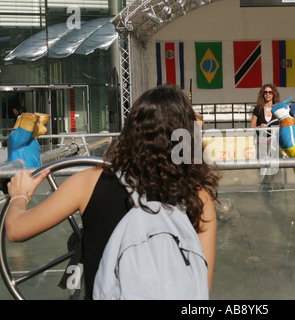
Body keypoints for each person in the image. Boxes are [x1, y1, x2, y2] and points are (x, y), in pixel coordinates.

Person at [5, 84, 220, 299]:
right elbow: (201, 284)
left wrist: (19, 196)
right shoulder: (199, 198)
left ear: (131, 132)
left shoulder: (88, 183)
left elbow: (16, 229)